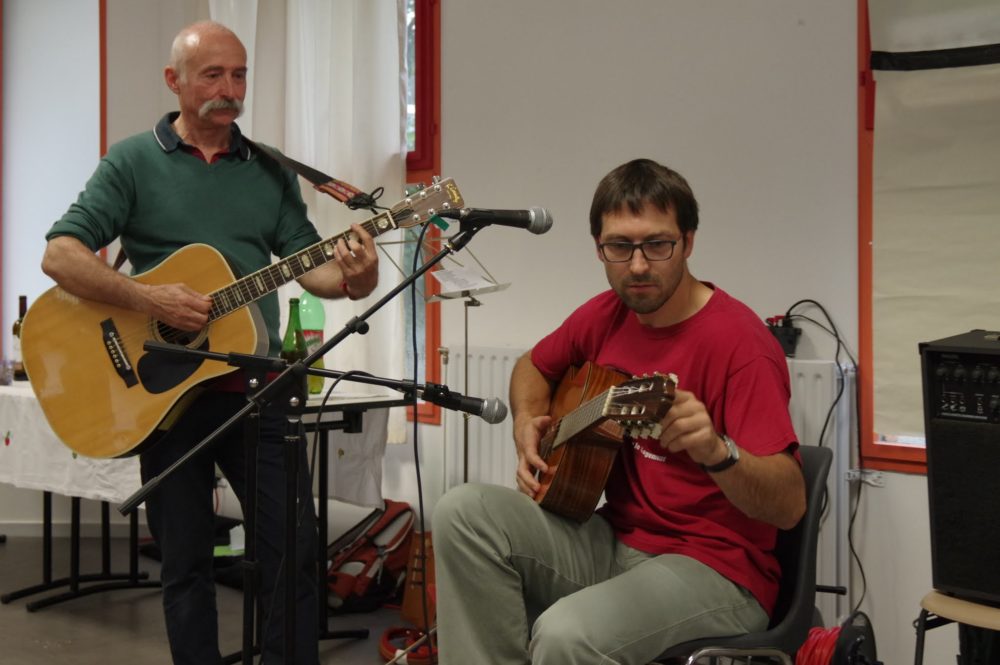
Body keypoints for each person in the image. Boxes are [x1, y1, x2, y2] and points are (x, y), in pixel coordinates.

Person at [40, 21, 378, 665]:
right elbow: (60, 254)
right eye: (213, 75)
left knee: (296, 550)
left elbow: (314, 266)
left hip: (256, 388)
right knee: (185, 561)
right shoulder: (132, 161)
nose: (230, 90)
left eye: (239, 75)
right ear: (175, 81)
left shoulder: (271, 170)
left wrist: (356, 278)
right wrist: (149, 299)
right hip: (163, 397)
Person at [432, 158, 806, 665]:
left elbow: (788, 505)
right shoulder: (609, 313)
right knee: (463, 511)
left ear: (688, 243)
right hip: (614, 540)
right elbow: (532, 367)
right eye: (619, 247)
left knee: (566, 635)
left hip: (716, 569)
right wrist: (525, 423)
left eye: (657, 244)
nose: (637, 265)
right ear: (599, 249)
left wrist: (719, 453)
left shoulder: (742, 346)